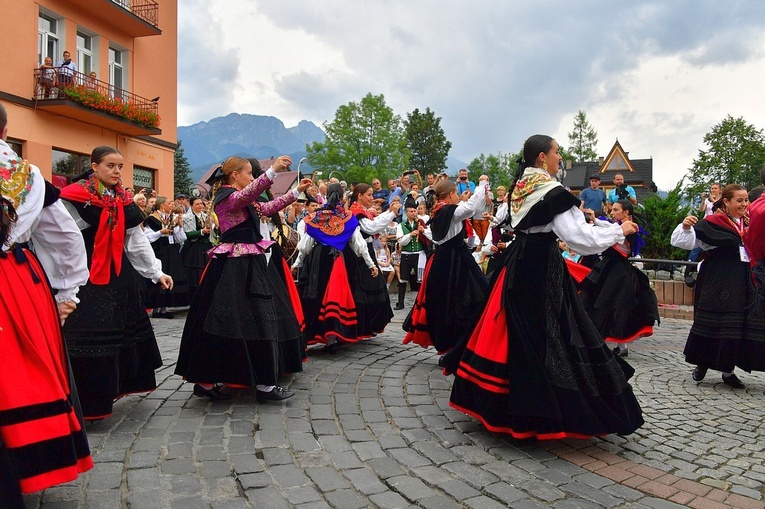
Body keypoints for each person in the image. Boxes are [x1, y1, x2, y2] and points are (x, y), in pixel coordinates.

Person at [447, 134, 643, 440]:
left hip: (517, 262)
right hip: (541, 266)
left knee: (513, 330)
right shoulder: (551, 191)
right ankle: (541, 411)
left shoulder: (517, 187)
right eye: (556, 153)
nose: (559, 158)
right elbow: (579, 239)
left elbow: (510, 223)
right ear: (542, 157)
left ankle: (499, 403)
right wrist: (619, 231)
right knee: (549, 331)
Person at [0, 103, 93, 506]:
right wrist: (67, 292)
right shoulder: (27, 176)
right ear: (5, 132)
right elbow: (65, 235)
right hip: (13, 281)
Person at [176, 155, 311, 402]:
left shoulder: (240, 199)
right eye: (249, 173)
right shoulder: (228, 198)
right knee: (248, 319)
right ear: (235, 175)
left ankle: (218, 382)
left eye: (253, 174)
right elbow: (250, 194)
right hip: (234, 267)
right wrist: (273, 172)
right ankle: (259, 385)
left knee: (239, 320)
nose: (252, 177)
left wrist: (295, 193)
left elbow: (266, 208)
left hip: (243, 264)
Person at [60, 146, 173, 421]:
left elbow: (135, 241)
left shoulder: (123, 200)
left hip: (118, 276)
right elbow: (62, 240)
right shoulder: (74, 197)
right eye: (110, 165)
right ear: (94, 165)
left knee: (120, 335)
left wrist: (155, 272)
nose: (116, 171)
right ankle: (85, 402)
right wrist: (61, 281)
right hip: (84, 276)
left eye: (120, 166)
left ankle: (115, 388)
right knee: (88, 337)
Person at [671, 184, 765, 389]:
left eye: (746, 200)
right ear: (727, 202)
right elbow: (685, 242)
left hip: (742, 282)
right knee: (713, 321)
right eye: (739, 200)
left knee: (735, 324)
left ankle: (728, 371)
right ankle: (702, 363)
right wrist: (686, 227)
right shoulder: (713, 222)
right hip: (717, 280)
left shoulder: (750, 223)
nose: (744, 204)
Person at [403, 178, 489, 353]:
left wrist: (465, 199)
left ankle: (451, 344)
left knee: (445, 301)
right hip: (455, 260)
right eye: (456, 193)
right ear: (450, 195)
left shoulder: (439, 210)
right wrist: (481, 186)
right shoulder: (450, 210)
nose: (458, 196)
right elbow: (470, 208)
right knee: (461, 298)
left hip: (443, 258)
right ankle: (455, 344)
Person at [292, 183, 379, 351]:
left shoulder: (316, 218)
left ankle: (324, 335)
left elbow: (305, 246)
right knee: (342, 295)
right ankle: (338, 333)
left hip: (320, 260)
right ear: (341, 198)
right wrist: (371, 264)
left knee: (319, 294)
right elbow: (358, 244)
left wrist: (297, 264)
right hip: (344, 258)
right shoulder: (347, 217)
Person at [580, 200, 659, 358]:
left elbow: (611, 231)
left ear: (626, 213)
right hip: (609, 268)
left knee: (614, 305)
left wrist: (595, 221)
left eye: (616, 210)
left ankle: (615, 343)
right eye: (612, 209)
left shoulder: (630, 228)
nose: (612, 212)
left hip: (618, 272)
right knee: (601, 302)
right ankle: (602, 340)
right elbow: (609, 228)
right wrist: (595, 220)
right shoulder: (618, 226)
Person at [349, 183, 401, 336]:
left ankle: (369, 325)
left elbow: (374, 224)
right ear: (359, 195)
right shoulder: (356, 212)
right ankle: (364, 325)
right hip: (360, 255)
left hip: (367, 251)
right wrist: (391, 214)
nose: (372, 198)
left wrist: (389, 212)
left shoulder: (361, 211)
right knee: (367, 288)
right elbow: (371, 228)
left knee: (373, 287)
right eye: (369, 195)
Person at [394, 201, 428, 310]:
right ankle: (400, 303)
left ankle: (420, 303)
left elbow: (428, 238)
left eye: (415, 211)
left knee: (420, 280)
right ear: (406, 213)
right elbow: (401, 241)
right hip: (406, 255)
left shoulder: (421, 223)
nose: (413, 213)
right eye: (411, 211)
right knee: (403, 279)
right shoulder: (401, 225)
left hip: (419, 255)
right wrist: (410, 234)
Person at [182, 196, 213, 298]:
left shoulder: (206, 216)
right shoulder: (186, 218)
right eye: (197, 204)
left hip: (206, 246)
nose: (200, 206)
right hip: (194, 248)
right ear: (191, 206)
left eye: (201, 204)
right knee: (195, 273)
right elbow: (187, 234)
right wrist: (201, 232)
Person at [470, 175, 494, 243]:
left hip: (484, 218)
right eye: (481, 180)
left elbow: (488, 203)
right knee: (478, 237)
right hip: (475, 217)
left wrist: (486, 194)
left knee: (485, 237)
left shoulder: (490, 192)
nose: (482, 182)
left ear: (487, 181)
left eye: (484, 180)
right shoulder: (476, 190)